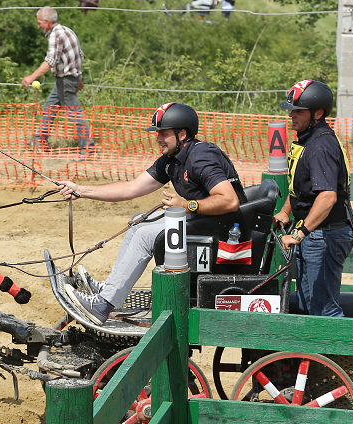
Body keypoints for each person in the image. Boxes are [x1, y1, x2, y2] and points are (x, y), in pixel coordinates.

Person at [58, 103, 246, 324]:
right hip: (204, 223)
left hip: (224, 233)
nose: (158, 139)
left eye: (164, 134)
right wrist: (81, 190)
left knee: (146, 235)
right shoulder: (172, 159)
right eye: (158, 134)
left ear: (182, 134)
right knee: (139, 221)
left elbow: (230, 201)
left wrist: (187, 205)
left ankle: (102, 306)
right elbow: (131, 188)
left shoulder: (201, 157)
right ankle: (110, 290)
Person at [273, 80, 353, 317]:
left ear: (318, 113)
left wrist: (299, 233)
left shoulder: (321, 146)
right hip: (315, 232)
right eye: (291, 110)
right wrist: (286, 212)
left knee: (323, 310)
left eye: (299, 110)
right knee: (310, 306)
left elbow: (327, 197)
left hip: (325, 234)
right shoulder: (308, 140)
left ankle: (342, 355)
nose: (292, 115)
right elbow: (302, 187)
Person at [21, 6, 95, 160]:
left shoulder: (56, 34)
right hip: (67, 79)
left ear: (47, 22)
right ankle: (40, 141)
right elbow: (78, 54)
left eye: (40, 23)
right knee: (50, 108)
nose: (38, 26)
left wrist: (31, 77)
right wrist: (78, 77)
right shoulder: (66, 30)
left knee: (75, 114)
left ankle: (88, 148)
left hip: (66, 80)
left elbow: (50, 61)